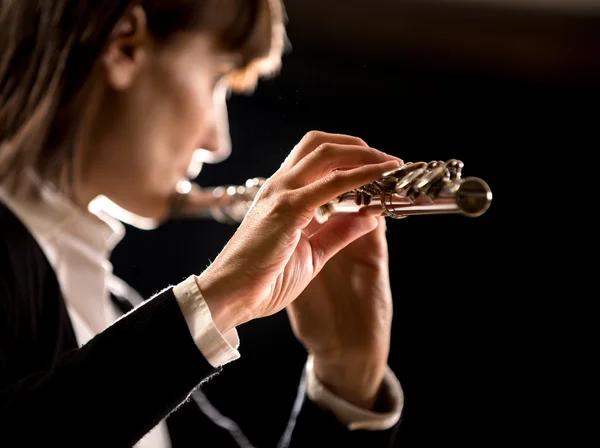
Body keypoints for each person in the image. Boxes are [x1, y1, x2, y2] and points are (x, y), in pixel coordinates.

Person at [0, 1, 405, 447]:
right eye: (218, 80)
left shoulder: (106, 305)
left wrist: (346, 379)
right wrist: (218, 299)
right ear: (125, 46)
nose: (219, 141)